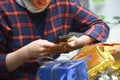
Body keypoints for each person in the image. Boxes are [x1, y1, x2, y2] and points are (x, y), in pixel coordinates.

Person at [0, 0, 109, 79]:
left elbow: (100, 25)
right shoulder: (4, 8)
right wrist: (25, 53)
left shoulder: (65, 3)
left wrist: (80, 42)